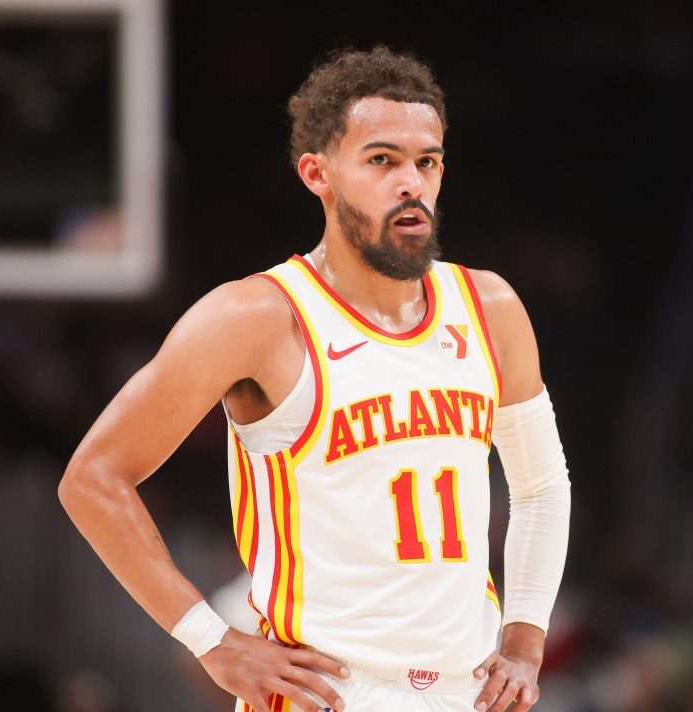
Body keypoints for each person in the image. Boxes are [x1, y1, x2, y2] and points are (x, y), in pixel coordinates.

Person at [58, 45, 571, 712]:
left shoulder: (491, 308)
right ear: (317, 173)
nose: (411, 182)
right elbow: (93, 479)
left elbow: (540, 486)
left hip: (464, 695)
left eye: (428, 161)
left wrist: (526, 644)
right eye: (382, 160)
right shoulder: (254, 317)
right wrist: (213, 643)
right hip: (326, 694)